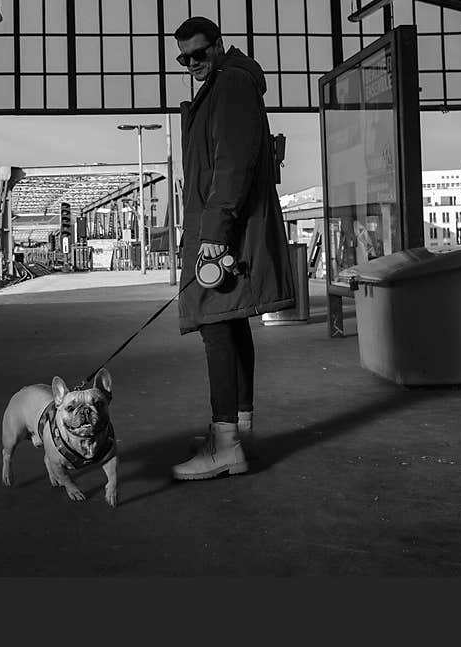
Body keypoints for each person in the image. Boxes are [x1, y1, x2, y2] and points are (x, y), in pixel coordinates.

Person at [171, 16, 295, 481]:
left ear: (219, 45)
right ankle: (238, 433)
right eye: (184, 59)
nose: (192, 65)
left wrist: (213, 236)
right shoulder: (227, 84)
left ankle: (226, 444)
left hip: (225, 233)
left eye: (199, 54)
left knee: (216, 326)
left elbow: (230, 168)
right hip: (228, 229)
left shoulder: (232, 86)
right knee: (231, 322)